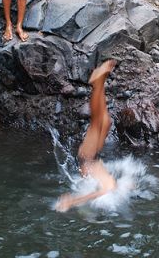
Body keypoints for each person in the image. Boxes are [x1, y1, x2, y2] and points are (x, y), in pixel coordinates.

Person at [55, 60, 118, 212]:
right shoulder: (110, 187)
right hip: (90, 159)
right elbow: (97, 194)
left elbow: (94, 194)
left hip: (88, 158)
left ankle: (98, 82)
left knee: (99, 122)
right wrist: (73, 201)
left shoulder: (109, 186)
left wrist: (73, 201)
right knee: (104, 122)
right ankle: (99, 83)